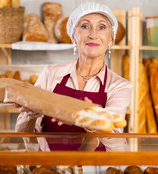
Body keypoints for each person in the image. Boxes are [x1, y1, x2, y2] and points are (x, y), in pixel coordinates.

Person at [15, 2, 131, 152]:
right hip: (49, 168)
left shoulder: (119, 86)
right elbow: (26, 138)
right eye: (85, 26)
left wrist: (93, 124)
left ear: (111, 40)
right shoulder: (50, 74)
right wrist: (29, 116)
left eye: (102, 27)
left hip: (94, 171)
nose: (93, 34)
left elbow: (115, 144)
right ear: (73, 36)